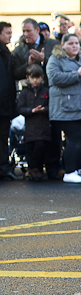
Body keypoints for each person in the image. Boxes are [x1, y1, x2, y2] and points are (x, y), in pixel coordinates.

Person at [46, 33, 81, 183]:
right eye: (71, 43)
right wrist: (76, 74)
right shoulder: (55, 59)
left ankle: (73, 170)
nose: (75, 46)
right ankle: (69, 171)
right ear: (62, 45)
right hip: (67, 107)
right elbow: (54, 78)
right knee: (75, 139)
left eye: (77, 43)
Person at [16, 64, 56, 181]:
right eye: (33, 77)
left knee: (41, 146)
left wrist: (44, 110)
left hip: (43, 126)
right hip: (30, 126)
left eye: (38, 77)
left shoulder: (46, 91)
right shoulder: (25, 92)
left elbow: (52, 106)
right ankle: (33, 169)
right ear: (28, 78)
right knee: (30, 149)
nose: (35, 80)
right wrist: (32, 110)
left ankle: (36, 169)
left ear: (42, 77)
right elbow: (20, 108)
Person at [0, 21, 17, 181]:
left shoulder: (6, 52)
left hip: (5, 106)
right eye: (7, 32)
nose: (10, 35)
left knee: (3, 138)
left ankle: (3, 168)